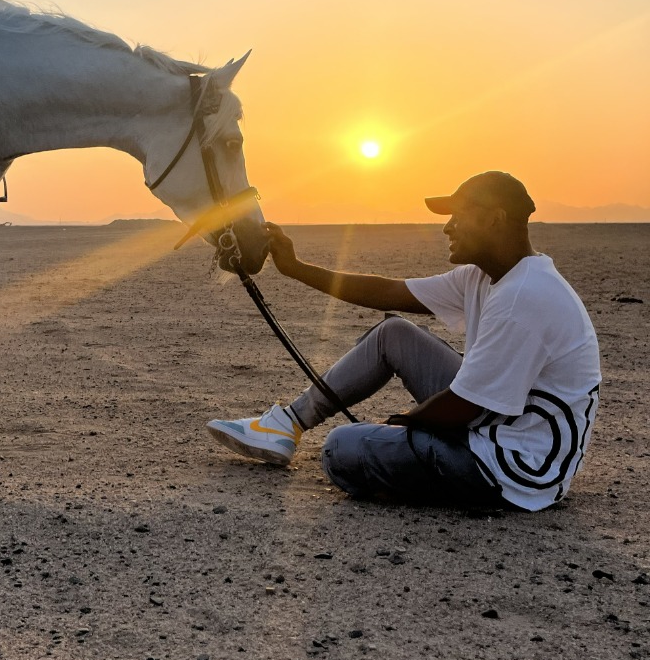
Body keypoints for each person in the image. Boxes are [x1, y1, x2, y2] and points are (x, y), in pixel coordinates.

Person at [206, 172, 601, 512]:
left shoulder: (524, 295)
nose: (447, 227)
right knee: (393, 333)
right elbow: (387, 292)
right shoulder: (484, 277)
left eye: (458, 216)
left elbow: (465, 408)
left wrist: (401, 429)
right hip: (493, 423)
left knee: (341, 449)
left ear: (495, 219)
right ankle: (284, 425)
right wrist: (296, 269)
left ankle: (408, 462)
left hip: (516, 468)